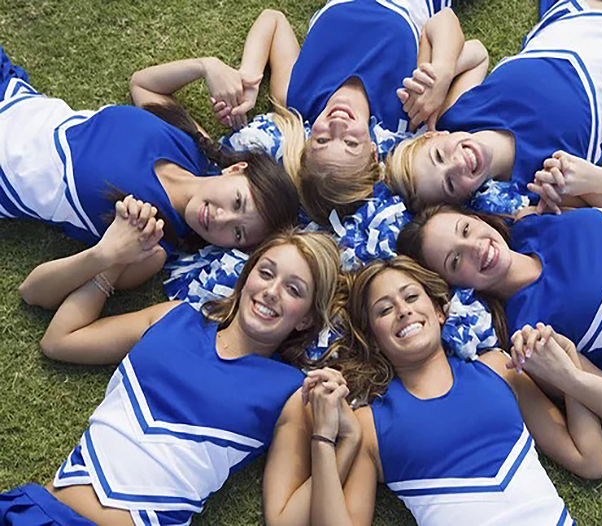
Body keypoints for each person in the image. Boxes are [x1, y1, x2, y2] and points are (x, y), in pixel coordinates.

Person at [0, 202, 349, 526]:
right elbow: (60, 340)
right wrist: (113, 255)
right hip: (37, 511)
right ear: (246, 278)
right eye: (266, 272)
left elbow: (284, 518)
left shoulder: (290, 391)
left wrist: (345, 439)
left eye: (294, 290)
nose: (272, 291)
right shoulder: (175, 317)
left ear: (305, 319)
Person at [304, 257, 602, 526]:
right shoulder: (369, 425)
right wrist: (323, 437)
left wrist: (566, 368)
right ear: (374, 339)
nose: (402, 311)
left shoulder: (497, 368)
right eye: (384, 310)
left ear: (440, 310)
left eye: (411, 297)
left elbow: (591, 461)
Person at [130, 3, 490, 223]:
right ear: (373, 151)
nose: (336, 123)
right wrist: (442, 72)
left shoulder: (295, 98)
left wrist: (250, 74)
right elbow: (452, 29)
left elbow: (273, 20)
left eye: (320, 138)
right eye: (349, 142)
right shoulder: (408, 107)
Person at [0, 46, 300, 300]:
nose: (222, 218)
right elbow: (143, 85)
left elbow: (34, 294)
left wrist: (106, 253)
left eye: (237, 233)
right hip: (14, 95)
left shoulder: (151, 242)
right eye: (237, 202)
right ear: (235, 170)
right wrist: (206, 66)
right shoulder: (193, 145)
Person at [386, 0, 602, 214]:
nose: (457, 164)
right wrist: (592, 179)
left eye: (439, 157)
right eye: (449, 184)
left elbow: (476, 52)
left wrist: (441, 74)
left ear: (435, 137)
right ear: (462, 201)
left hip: (579, 8)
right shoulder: (539, 184)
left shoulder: (457, 115)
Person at [397, 203, 602, 388]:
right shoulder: (529, 334)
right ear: (455, 288)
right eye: (455, 260)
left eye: (466, 229)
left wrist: (588, 177)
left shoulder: (535, 224)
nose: (475, 248)